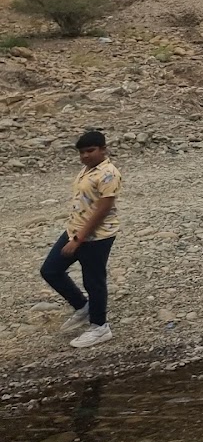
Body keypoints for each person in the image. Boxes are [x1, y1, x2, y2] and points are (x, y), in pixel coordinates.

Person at [41, 130, 121, 348]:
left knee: (93, 280)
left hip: (96, 237)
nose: (85, 156)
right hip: (74, 230)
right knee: (50, 270)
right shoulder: (88, 170)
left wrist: (79, 239)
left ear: (103, 149)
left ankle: (100, 327)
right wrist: (74, 235)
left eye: (90, 151)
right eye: (82, 152)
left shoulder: (108, 173)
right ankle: (83, 307)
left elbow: (102, 210)